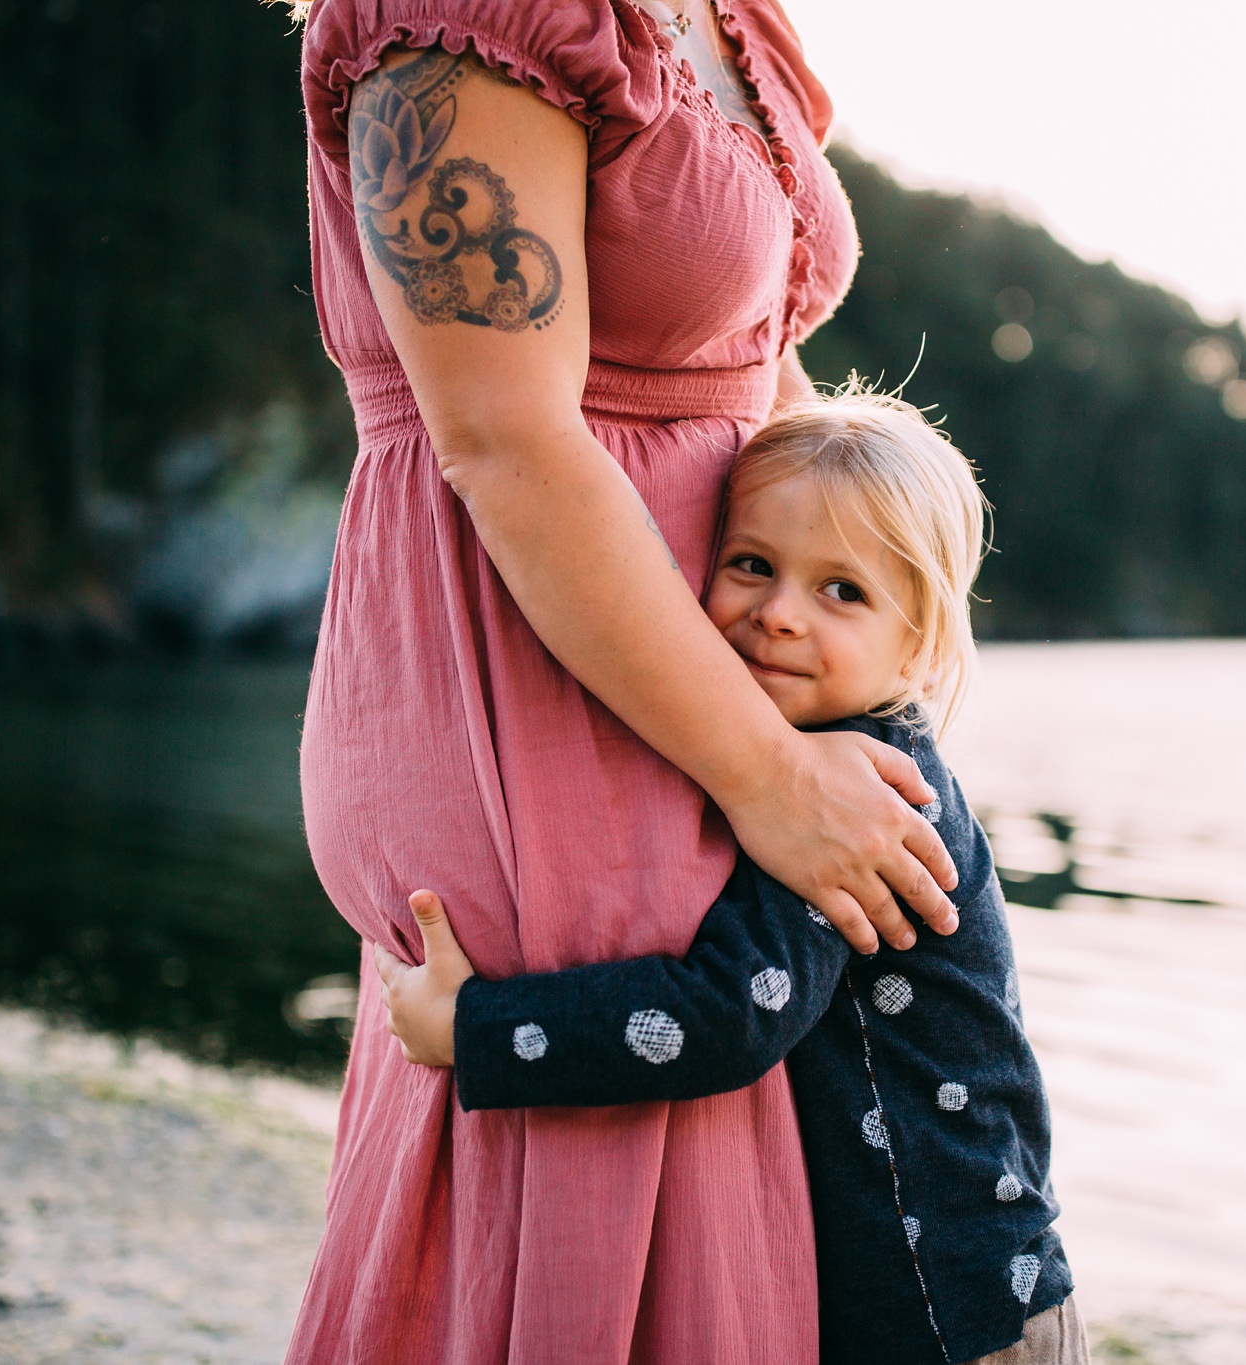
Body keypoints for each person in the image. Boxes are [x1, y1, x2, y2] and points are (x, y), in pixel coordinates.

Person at [288, 1, 961, 1360]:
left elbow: (749, 382)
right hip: (548, 711)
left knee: (716, 1198)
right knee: (584, 1197)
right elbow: (503, 440)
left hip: (712, 702)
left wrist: (870, 650)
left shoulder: (727, 20)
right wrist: (773, 776)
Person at [378, 393, 1091, 1365]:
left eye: (842, 591)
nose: (778, 615)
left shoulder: (860, 796)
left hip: (954, 1319)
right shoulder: (820, 757)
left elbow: (727, 1015)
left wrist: (476, 1029)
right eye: (752, 564)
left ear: (917, 644)